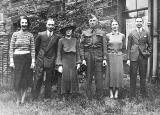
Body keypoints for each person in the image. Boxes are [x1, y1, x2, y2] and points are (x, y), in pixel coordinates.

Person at [80, 14, 107, 100]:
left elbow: (104, 46)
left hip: (98, 55)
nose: (92, 22)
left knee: (99, 77)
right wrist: (83, 59)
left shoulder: (102, 33)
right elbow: (81, 47)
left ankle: (99, 96)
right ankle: (89, 96)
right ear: (88, 22)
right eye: (90, 21)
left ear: (97, 22)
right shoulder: (84, 33)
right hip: (88, 56)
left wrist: (105, 58)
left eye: (93, 20)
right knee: (88, 76)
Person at [9, 16, 35, 105]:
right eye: (22, 23)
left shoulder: (30, 35)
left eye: (25, 23)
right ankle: (18, 99)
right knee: (17, 80)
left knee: (25, 80)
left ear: (28, 24)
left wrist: (33, 61)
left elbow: (32, 48)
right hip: (17, 59)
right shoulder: (15, 34)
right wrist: (11, 61)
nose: (24, 24)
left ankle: (23, 100)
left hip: (27, 58)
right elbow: (11, 48)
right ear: (20, 23)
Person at [33, 17, 59, 99]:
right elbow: (36, 48)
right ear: (46, 25)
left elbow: (57, 49)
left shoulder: (57, 37)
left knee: (49, 79)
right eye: (49, 24)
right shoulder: (41, 34)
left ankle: (47, 97)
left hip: (51, 59)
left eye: (52, 25)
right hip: (41, 59)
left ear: (54, 26)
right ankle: (34, 96)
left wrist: (54, 59)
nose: (51, 26)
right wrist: (38, 57)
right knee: (38, 78)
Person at [127, 17, 152, 98]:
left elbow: (150, 45)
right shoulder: (131, 33)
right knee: (133, 76)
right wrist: (128, 58)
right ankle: (132, 95)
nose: (138, 23)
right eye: (137, 21)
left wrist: (147, 53)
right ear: (135, 23)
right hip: (133, 57)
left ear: (142, 22)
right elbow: (129, 46)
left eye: (140, 21)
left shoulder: (146, 33)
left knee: (143, 75)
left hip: (143, 57)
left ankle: (143, 94)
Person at [56, 24, 81, 100]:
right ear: (64, 31)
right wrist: (59, 64)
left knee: (73, 77)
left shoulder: (75, 40)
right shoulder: (61, 40)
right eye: (67, 30)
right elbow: (59, 53)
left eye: (70, 30)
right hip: (65, 60)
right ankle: (64, 95)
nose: (68, 31)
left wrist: (78, 62)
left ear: (72, 31)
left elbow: (78, 52)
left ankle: (71, 94)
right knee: (65, 77)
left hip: (73, 60)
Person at [106, 20, 126, 99]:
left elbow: (124, 47)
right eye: (113, 24)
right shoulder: (107, 35)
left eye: (116, 24)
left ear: (118, 26)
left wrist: (123, 56)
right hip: (110, 56)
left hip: (119, 56)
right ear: (111, 26)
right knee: (110, 74)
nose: (114, 26)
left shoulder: (122, 35)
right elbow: (106, 47)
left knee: (118, 73)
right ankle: (111, 92)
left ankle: (116, 92)